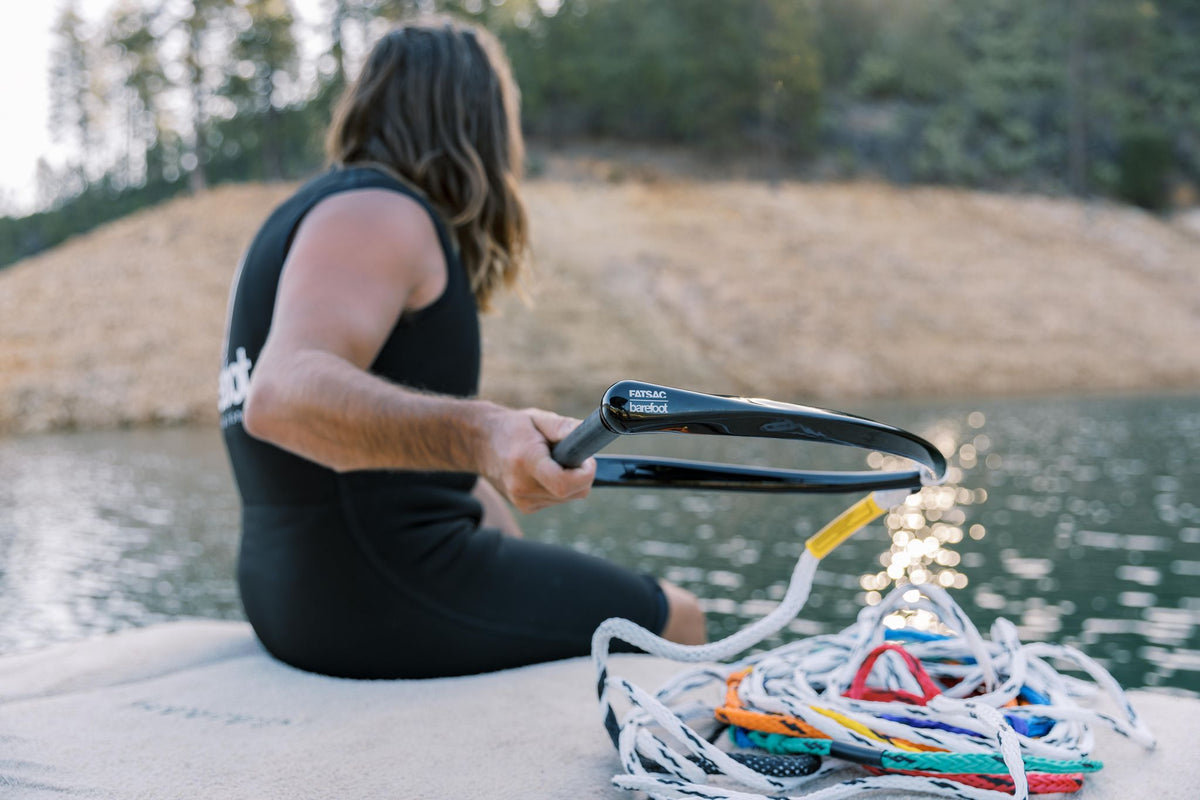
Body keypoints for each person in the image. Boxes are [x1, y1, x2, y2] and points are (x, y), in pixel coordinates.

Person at [218, 17, 706, 679]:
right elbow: (280, 396)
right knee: (678, 615)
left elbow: (398, 482)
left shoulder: (308, 213)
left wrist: (498, 524)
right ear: (476, 116)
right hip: (374, 597)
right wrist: (485, 433)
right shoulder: (383, 213)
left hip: (294, 594)